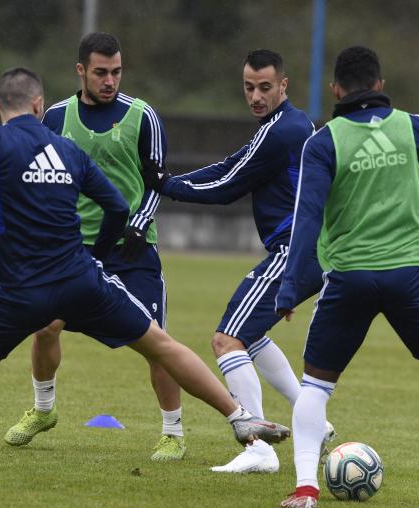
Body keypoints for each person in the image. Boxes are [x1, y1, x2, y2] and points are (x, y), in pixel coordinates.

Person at [0, 67, 290, 474]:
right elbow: (118, 207)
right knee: (160, 343)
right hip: (82, 279)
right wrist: (97, 257)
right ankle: (239, 417)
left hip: (19, 290)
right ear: (40, 105)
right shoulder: (68, 150)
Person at [275, 46, 419, 508]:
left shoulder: (323, 142)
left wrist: (290, 288)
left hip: (349, 280)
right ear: (380, 85)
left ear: (336, 90)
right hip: (409, 276)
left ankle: (304, 491)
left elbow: (307, 219)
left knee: (316, 386)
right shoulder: (414, 126)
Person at [142, 49, 333, 474]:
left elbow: (228, 185)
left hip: (295, 250)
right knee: (251, 336)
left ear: (284, 86)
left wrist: (167, 187)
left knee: (227, 341)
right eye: (249, 87)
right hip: (310, 250)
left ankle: (258, 447)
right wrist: (170, 182)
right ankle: (313, 423)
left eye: (265, 87)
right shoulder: (287, 125)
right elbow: (232, 165)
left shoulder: (281, 131)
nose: (256, 96)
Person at [2, 33, 185, 462]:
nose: (110, 80)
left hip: (132, 251)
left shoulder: (144, 117)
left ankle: (173, 433)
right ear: (81, 70)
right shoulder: (55, 118)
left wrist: (138, 224)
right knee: (45, 326)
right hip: (71, 250)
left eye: (117, 72)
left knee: (156, 341)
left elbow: (158, 182)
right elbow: (35, 178)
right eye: (101, 72)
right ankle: (43, 411)